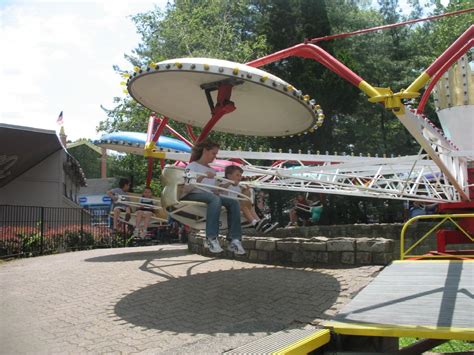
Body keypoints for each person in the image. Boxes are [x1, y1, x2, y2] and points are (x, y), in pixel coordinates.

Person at [182, 139, 245, 254]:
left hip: (209, 196)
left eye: (216, 154)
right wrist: (202, 177)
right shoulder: (192, 166)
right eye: (213, 153)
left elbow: (214, 191)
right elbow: (187, 188)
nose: (214, 157)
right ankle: (211, 238)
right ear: (205, 151)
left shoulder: (212, 170)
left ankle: (234, 240)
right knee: (214, 199)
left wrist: (226, 185)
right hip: (193, 195)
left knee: (233, 202)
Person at [220, 165, 278, 234]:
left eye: (240, 175)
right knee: (244, 206)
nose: (240, 177)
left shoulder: (238, 187)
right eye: (237, 175)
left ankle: (261, 224)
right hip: (229, 204)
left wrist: (246, 190)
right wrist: (229, 183)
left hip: (236, 204)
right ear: (229, 176)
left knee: (250, 206)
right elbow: (219, 189)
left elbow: (242, 197)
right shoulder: (224, 182)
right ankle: (255, 223)